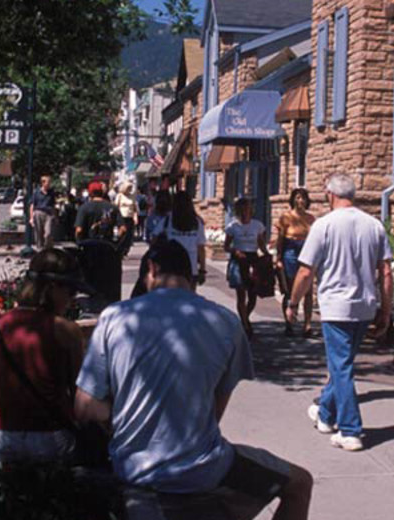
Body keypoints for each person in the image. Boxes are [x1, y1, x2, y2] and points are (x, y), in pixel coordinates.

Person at [74, 239, 312, 520]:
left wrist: (122, 420)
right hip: (203, 471)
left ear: (151, 268)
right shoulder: (226, 321)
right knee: (300, 484)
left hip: (133, 469)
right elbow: (214, 412)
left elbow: (84, 406)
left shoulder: (115, 318)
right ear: (192, 276)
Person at [287, 173, 393, 452]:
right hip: (365, 304)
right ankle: (326, 413)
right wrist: (386, 308)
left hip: (336, 305)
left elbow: (306, 270)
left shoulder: (323, 225)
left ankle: (350, 429)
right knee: (342, 364)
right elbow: (386, 271)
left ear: (331, 195)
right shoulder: (374, 225)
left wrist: (292, 302)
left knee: (341, 366)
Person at [0, 249, 89, 467]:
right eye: (70, 291)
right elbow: (79, 398)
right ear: (51, 289)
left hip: (6, 436)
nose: (72, 300)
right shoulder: (66, 331)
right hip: (51, 438)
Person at [225, 197, 269, 338]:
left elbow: (261, 243)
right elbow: (226, 246)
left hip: (252, 258)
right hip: (239, 259)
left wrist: (267, 255)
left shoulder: (257, 225)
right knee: (241, 294)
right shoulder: (233, 226)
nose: (246, 211)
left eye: (248, 208)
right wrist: (235, 251)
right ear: (239, 210)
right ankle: (245, 324)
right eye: (243, 208)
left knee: (253, 294)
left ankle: (245, 317)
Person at [275, 188, 315, 337]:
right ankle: (289, 321)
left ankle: (307, 324)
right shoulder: (286, 218)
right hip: (290, 251)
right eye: (298, 198)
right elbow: (280, 240)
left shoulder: (311, 219)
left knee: (308, 289)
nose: (301, 201)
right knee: (291, 290)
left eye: (303, 198)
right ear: (293, 200)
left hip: (306, 250)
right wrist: (278, 258)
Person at [151, 191, 207, 288]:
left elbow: (154, 237)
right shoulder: (197, 222)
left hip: (171, 265)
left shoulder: (168, 219)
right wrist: (202, 269)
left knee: (171, 297)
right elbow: (201, 248)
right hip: (191, 265)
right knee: (189, 299)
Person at [29, 174, 58, 250]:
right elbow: (32, 206)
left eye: (49, 182)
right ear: (43, 183)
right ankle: (40, 249)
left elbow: (53, 205)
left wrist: (55, 216)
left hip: (48, 214)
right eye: (47, 182)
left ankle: (48, 249)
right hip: (38, 213)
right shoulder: (36, 192)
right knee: (38, 233)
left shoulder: (51, 193)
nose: (49, 184)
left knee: (48, 233)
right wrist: (31, 218)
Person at [114, 181, 138, 256]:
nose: (129, 189)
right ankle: (120, 249)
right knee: (123, 234)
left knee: (129, 235)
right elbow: (116, 206)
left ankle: (126, 250)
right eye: (128, 188)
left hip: (130, 217)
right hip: (122, 217)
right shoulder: (120, 195)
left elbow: (134, 208)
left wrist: (135, 217)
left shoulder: (132, 196)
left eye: (130, 188)